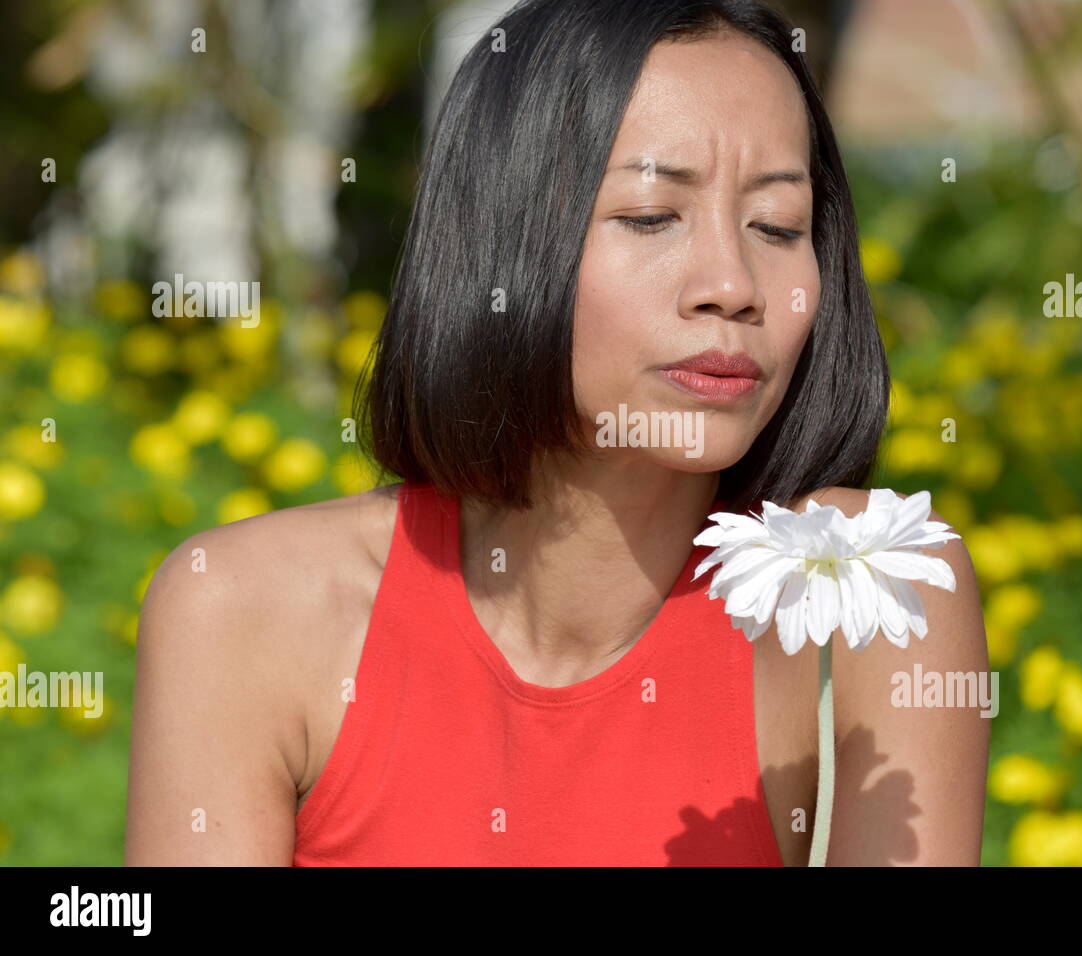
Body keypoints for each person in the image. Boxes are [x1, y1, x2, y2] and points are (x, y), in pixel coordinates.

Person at [124, 0, 988, 866]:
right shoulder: (238, 611)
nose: (733, 284)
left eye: (778, 227)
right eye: (652, 215)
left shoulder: (864, 590)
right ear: (502, 240)